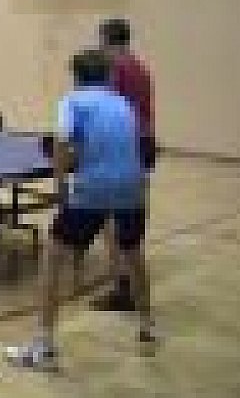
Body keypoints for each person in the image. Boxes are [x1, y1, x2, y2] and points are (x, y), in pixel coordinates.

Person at [6, 50, 155, 370]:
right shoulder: (123, 103)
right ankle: (147, 330)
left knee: (52, 258)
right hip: (133, 187)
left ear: (76, 77)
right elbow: (124, 145)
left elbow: (62, 143)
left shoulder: (71, 101)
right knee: (133, 254)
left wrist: (61, 186)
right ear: (109, 76)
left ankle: (44, 348)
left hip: (94, 188)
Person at [94, 17, 156, 312]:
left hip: (121, 149)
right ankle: (130, 287)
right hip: (143, 146)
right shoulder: (141, 69)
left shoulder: (115, 70)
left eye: (100, 40)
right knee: (129, 220)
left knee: (112, 222)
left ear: (107, 40)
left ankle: (123, 288)